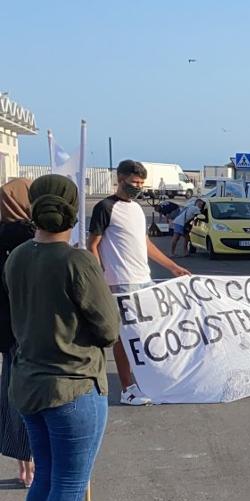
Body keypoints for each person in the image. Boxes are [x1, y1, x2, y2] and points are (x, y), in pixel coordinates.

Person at [7, 174, 120, 501]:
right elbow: (108, 329)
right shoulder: (77, 262)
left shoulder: (17, 257)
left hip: (29, 383)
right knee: (70, 482)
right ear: (73, 210)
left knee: (46, 480)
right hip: (73, 384)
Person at [88, 159, 190, 407]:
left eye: (142, 183)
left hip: (143, 280)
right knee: (124, 338)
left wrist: (173, 267)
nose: (138, 187)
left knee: (146, 335)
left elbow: (146, 245)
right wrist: (100, 279)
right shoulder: (105, 207)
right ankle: (127, 388)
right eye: (134, 182)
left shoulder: (135, 209)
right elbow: (93, 245)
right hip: (120, 283)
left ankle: (146, 381)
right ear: (120, 179)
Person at [0, 178, 35, 487]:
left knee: (11, 396)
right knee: (33, 397)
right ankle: (34, 462)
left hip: (5, 331)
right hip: (29, 328)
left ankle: (23, 466)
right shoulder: (30, 236)